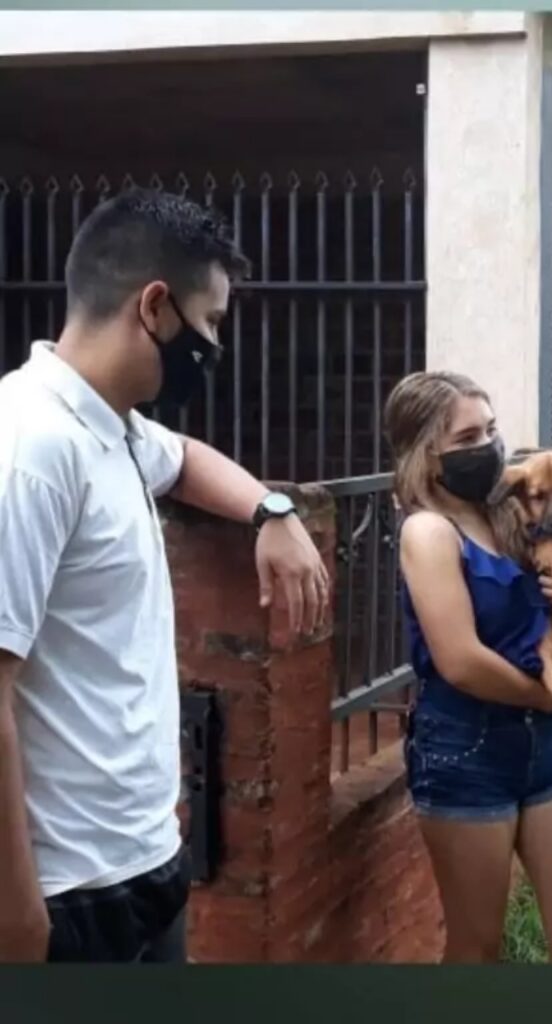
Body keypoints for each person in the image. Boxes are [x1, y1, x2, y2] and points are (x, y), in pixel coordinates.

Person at [0, 189, 330, 963]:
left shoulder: (108, 426)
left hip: (146, 862)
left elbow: (184, 459)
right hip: (64, 899)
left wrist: (273, 510)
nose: (214, 344)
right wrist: (16, 919)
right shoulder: (30, 452)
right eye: (209, 321)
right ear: (155, 307)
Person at [384, 371, 552, 964]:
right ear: (427, 454)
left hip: (546, 742)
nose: (489, 447)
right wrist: (547, 694)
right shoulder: (429, 532)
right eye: (468, 436)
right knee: (478, 946)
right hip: (465, 749)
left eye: (492, 429)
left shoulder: (510, 516)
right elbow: (460, 661)